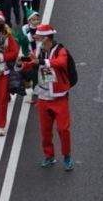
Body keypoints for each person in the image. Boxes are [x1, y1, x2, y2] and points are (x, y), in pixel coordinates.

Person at [23, 23, 76, 170]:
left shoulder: (61, 51)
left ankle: (67, 156)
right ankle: (49, 156)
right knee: (45, 131)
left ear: (46, 38)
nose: (37, 39)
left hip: (59, 97)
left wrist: (41, 61)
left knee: (63, 129)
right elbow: (33, 64)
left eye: (39, 37)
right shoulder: (38, 50)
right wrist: (23, 64)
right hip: (43, 96)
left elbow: (60, 63)